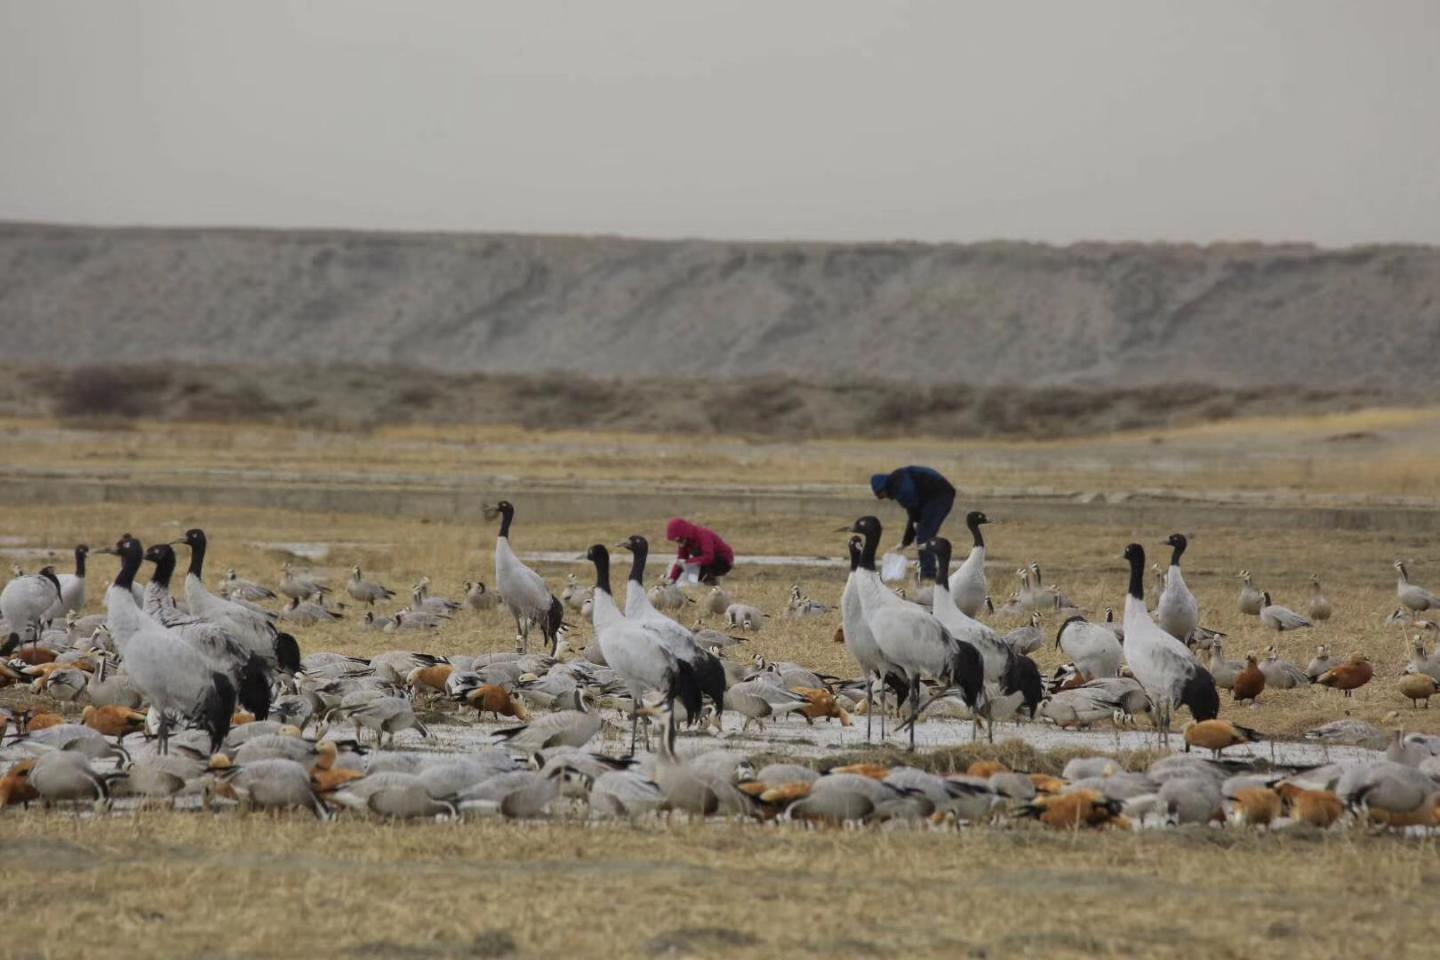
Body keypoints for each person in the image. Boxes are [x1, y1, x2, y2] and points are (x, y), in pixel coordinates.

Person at [870, 465, 956, 580]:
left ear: (884, 488)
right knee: (923, 534)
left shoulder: (901, 489)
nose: (884, 497)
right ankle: (928, 572)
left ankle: (929, 575)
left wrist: (906, 541)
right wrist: (906, 541)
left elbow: (913, 514)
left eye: (882, 495)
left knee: (924, 537)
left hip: (940, 496)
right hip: (932, 497)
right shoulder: (897, 481)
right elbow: (915, 513)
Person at [665, 518, 734, 585]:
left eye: (679, 539)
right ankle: (705, 582)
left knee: (694, 564)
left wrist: (687, 563)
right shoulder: (684, 542)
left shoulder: (703, 534)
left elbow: (709, 557)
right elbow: (681, 561)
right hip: (710, 561)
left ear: (684, 534)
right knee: (691, 565)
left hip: (724, 561)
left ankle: (711, 583)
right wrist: (672, 579)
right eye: (676, 541)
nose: (678, 543)